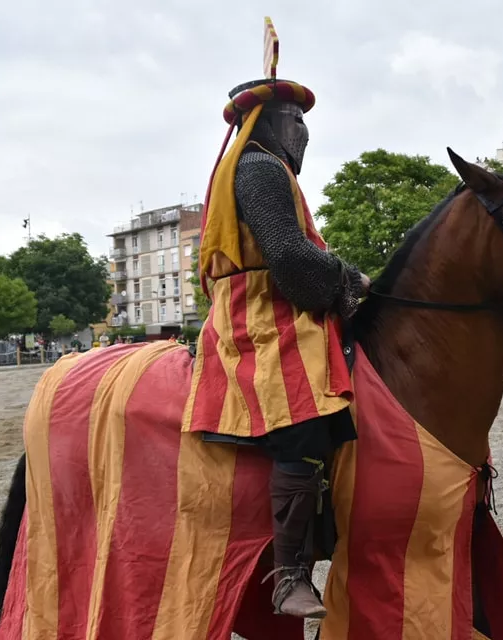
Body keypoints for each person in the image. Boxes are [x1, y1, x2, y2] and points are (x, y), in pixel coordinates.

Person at [182, 71, 369, 619]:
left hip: (279, 304)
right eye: (298, 120)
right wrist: (345, 279)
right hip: (261, 315)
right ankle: (290, 575)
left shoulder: (264, 167)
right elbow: (287, 257)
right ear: (270, 121)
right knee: (304, 415)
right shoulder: (259, 167)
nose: (306, 132)